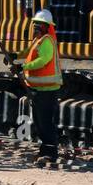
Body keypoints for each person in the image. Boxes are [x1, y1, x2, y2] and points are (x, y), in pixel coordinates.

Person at [21, 9, 62, 166]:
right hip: (39, 89)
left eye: (40, 25)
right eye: (35, 24)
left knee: (45, 122)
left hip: (48, 90)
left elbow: (43, 60)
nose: (37, 27)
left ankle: (51, 154)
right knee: (39, 122)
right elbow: (25, 54)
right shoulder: (37, 41)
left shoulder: (47, 41)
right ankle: (44, 151)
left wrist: (24, 66)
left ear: (47, 27)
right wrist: (15, 57)